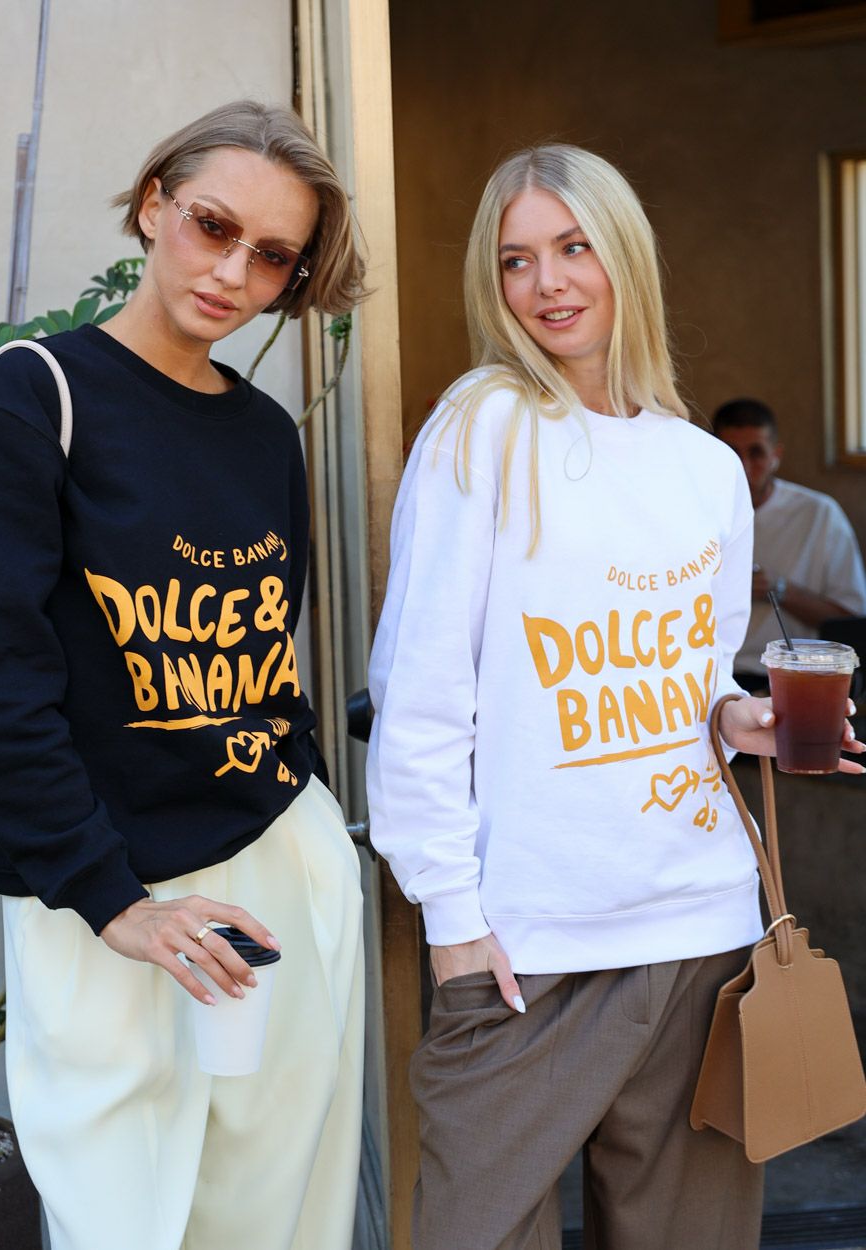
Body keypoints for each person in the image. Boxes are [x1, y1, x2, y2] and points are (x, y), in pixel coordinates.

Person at [365, 145, 864, 1250]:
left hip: (703, 928)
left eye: (573, 246)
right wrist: (452, 920)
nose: (547, 282)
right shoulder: (483, 428)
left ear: (624, 254)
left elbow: (696, 671)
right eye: (516, 260)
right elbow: (420, 690)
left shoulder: (703, 467)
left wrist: (735, 715)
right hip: (526, 946)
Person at [0, 101, 367, 1250]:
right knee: (118, 1216)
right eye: (213, 225)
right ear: (155, 203)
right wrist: (111, 897)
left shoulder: (264, 434)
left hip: (275, 866)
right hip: (103, 892)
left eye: (272, 255)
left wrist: (314, 831)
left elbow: (267, 661)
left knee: (273, 1220)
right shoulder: (34, 396)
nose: (232, 272)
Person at [713, 397, 866, 689]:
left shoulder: (819, 514)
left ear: (776, 455)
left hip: (794, 674)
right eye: (732, 453)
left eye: (756, 453)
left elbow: (852, 621)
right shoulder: (696, 513)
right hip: (716, 673)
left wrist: (780, 590)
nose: (744, 467)